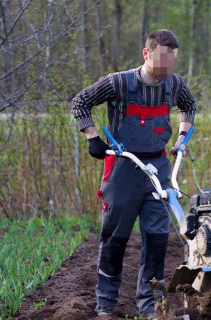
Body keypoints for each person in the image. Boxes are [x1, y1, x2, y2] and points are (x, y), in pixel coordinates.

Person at [70, 29, 196, 318]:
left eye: (171, 61)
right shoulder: (119, 83)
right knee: (115, 238)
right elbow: (80, 102)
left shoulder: (174, 85)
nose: (166, 67)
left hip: (158, 167)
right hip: (124, 167)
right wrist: (91, 137)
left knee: (157, 238)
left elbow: (189, 106)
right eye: (162, 60)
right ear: (146, 53)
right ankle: (106, 302)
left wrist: (181, 139)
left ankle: (150, 305)